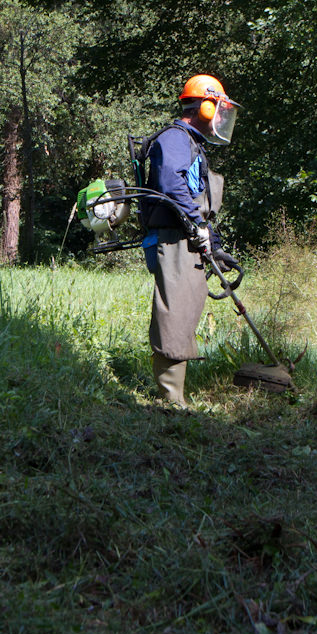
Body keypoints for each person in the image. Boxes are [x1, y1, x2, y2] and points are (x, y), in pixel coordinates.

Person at [140, 74, 240, 407]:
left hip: (186, 237)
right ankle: (171, 400)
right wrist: (196, 225)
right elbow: (171, 182)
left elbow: (194, 193)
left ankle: (176, 393)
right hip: (172, 239)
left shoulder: (190, 142)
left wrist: (212, 237)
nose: (222, 121)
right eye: (220, 111)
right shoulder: (174, 139)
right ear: (207, 107)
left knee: (188, 307)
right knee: (175, 312)